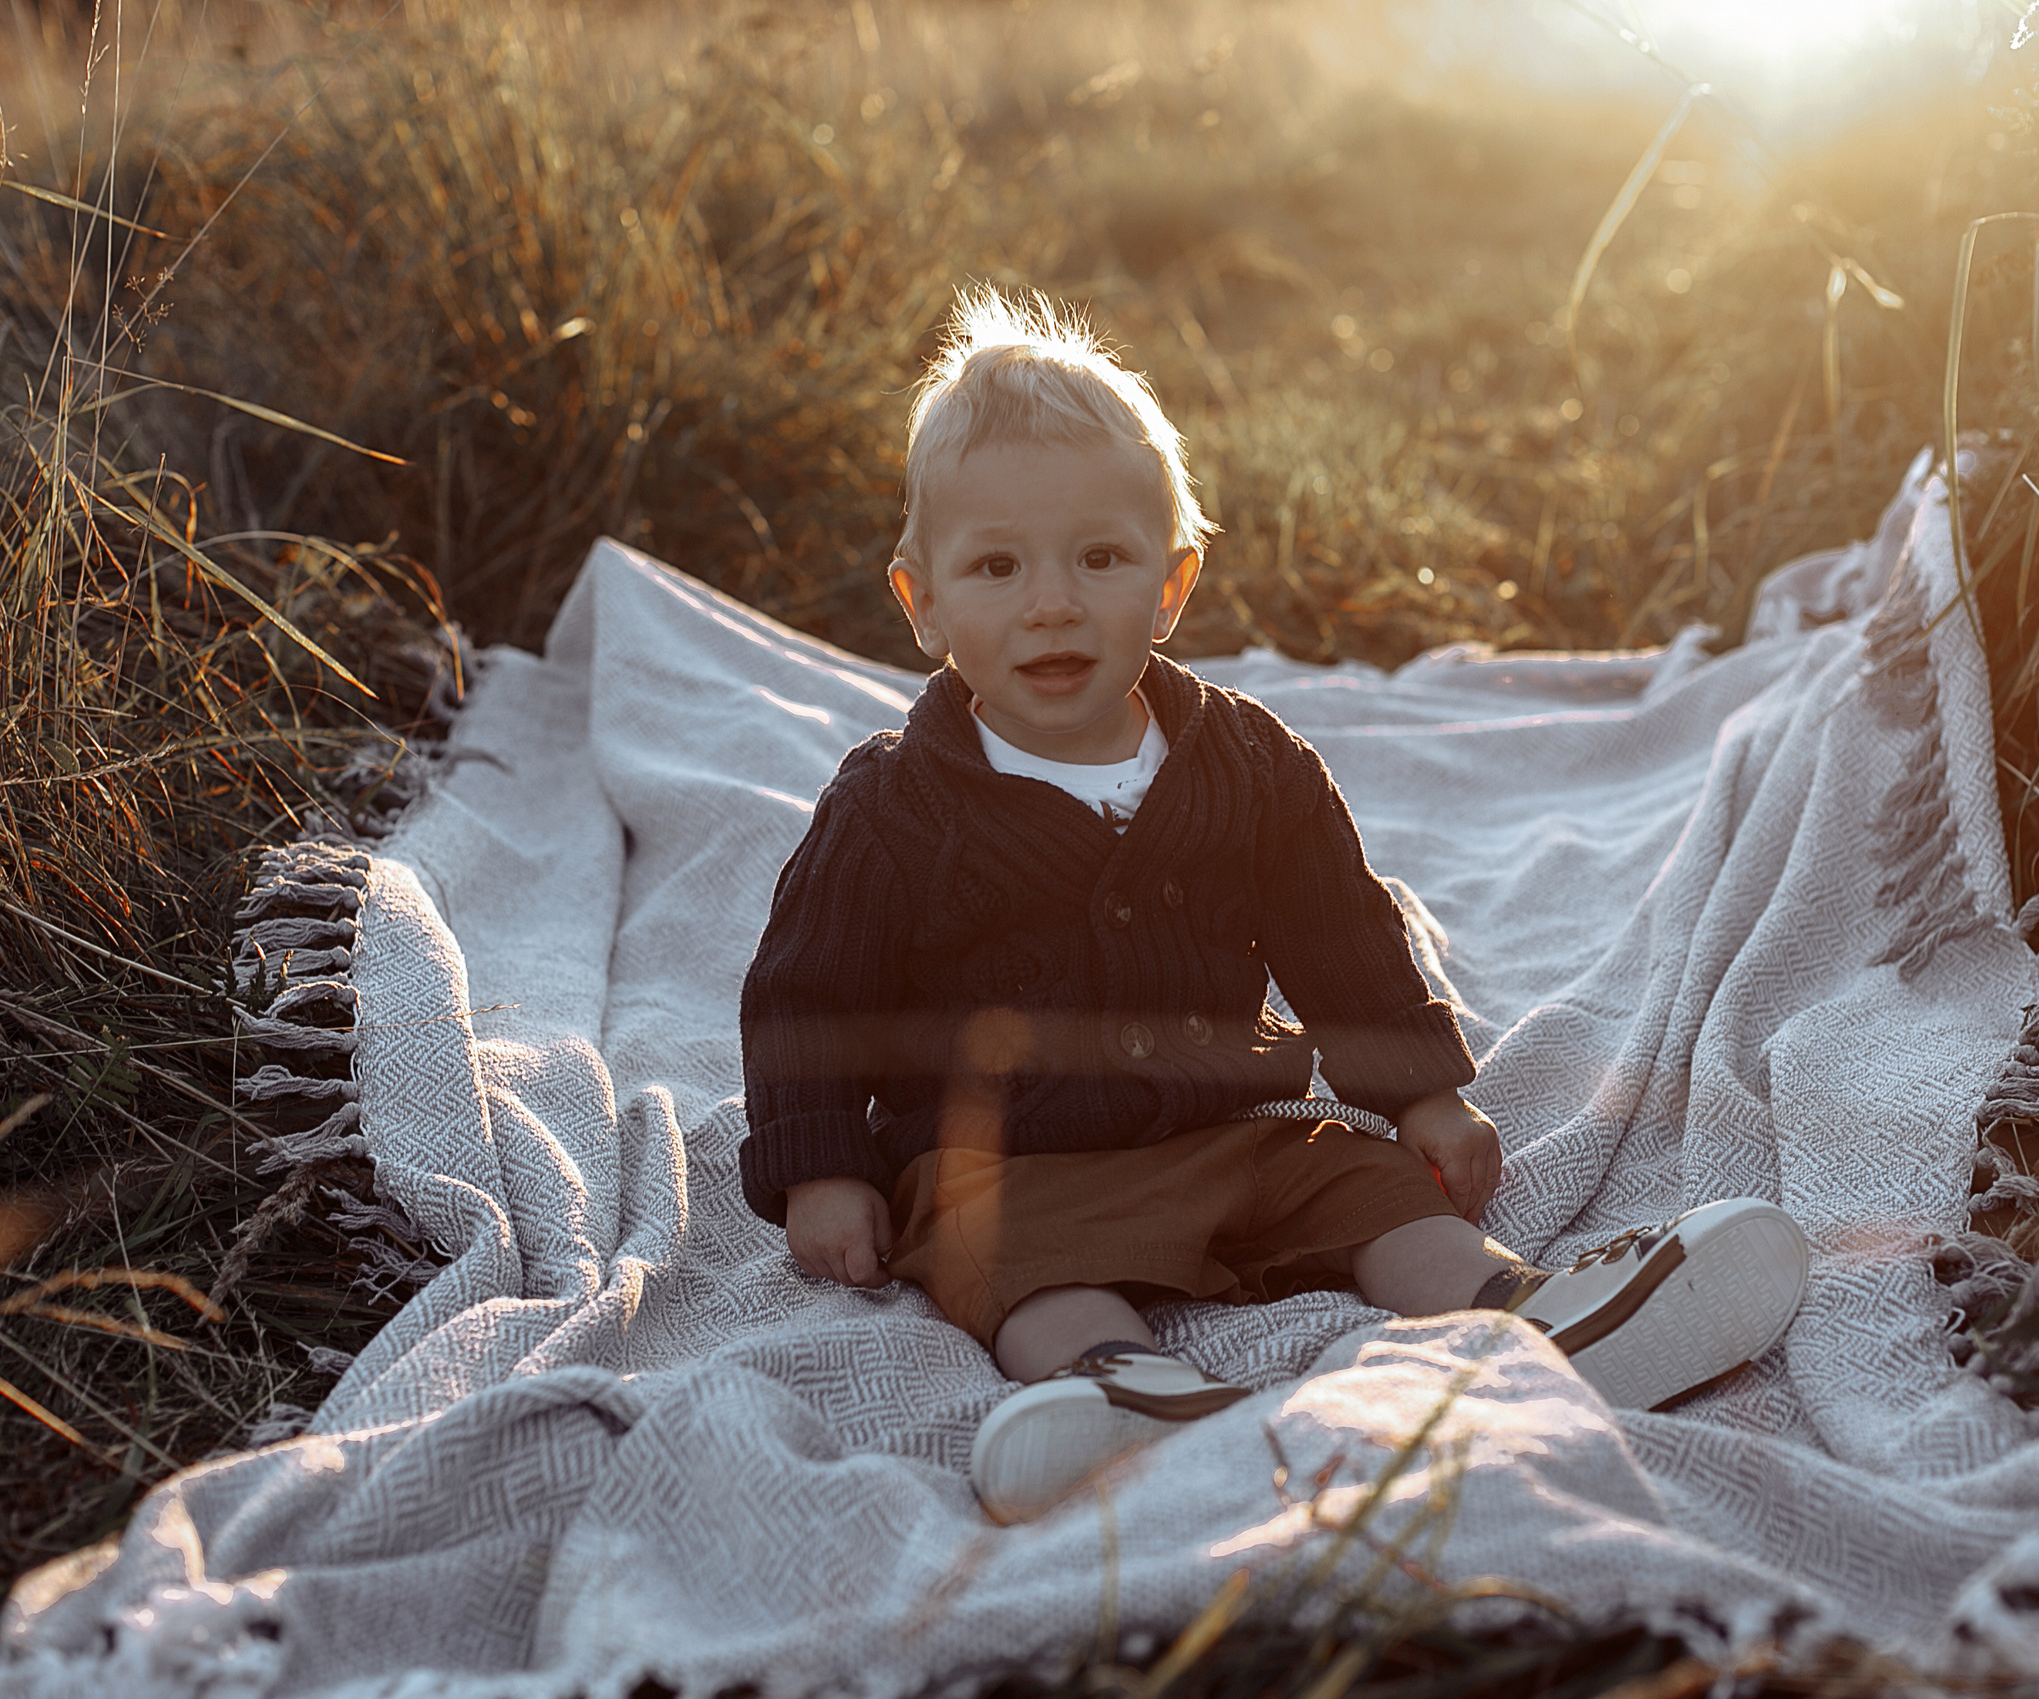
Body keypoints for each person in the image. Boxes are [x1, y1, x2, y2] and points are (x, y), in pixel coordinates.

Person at [739, 286, 1808, 1523]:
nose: (1051, 602)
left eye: (1100, 558)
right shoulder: (893, 810)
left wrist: (1418, 1090)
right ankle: (1121, 1390)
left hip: (1232, 1122)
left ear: (1172, 583)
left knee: (1358, 1183)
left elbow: (1339, 932)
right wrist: (822, 1170)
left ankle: (1524, 1309)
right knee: (1005, 1259)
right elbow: (808, 996)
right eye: (996, 566)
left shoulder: (1246, 766)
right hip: (1009, 1159)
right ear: (921, 603)